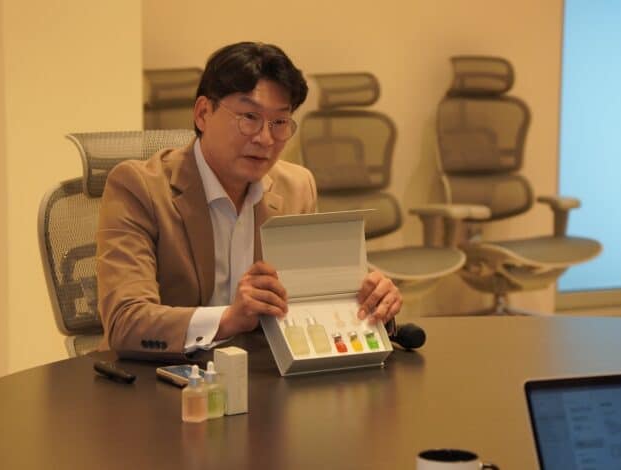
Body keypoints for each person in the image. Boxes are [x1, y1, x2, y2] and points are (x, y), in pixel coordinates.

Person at [96, 42, 402, 360]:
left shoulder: (297, 187)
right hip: (162, 383)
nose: (265, 138)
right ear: (203, 113)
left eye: (279, 123)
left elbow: (312, 304)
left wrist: (373, 302)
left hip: (262, 379)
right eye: (249, 117)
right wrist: (229, 320)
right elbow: (125, 323)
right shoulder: (139, 187)